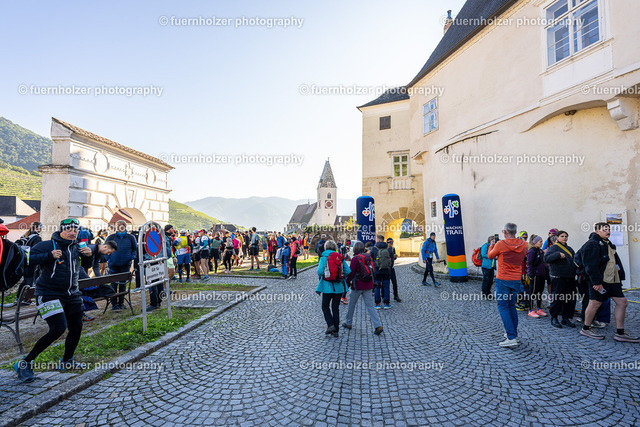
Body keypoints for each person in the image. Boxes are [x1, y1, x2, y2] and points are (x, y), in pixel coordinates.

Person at [14, 218, 93, 383]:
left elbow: (84, 266)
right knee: (58, 328)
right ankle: (25, 363)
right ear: (61, 230)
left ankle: (67, 360)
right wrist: (48, 256)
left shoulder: (76, 247)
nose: (72, 233)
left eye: (75, 230)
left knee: (76, 327)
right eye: (69, 229)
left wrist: (88, 256)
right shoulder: (47, 245)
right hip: (48, 293)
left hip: (72, 294)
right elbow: (25, 259)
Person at [579, 223, 638, 342]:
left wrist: (619, 276)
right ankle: (586, 328)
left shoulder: (608, 243)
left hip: (613, 280)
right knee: (595, 303)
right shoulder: (592, 244)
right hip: (600, 281)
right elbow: (590, 265)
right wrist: (596, 282)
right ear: (597, 231)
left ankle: (620, 333)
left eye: (609, 229)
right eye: (605, 229)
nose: (608, 231)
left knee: (622, 302)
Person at [488, 223, 528, 348]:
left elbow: (490, 256)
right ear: (515, 232)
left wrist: (492, 245)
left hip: (503, 279)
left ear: (505, 232)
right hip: (516, 279)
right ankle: (512, 333)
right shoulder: (524, 244)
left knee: (503, 307)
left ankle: (511, 337)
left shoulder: (501, 244)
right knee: (511, 306)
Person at [342, 241, 383, 335]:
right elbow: (373, 270)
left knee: (352, 304)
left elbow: (351, 273)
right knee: (370, 306)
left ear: (355, 249)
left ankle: (348, 323)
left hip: (357, 285)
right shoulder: (368, 257)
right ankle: (378, 325)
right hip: (368, 284)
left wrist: (347, 283)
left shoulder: (355, 259)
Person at [315, 240, 350, 337]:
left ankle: (330, 325)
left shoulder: (323, 258)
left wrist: (326, 275)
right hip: (339, 287)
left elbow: (319, 272)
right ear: (335, 248)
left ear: (325, 248)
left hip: (327, 287)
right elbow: (348, 270)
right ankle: (336, 330)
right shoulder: (340, 257)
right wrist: (340, 275)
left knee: (325, 306)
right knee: (335, 308)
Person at [544, 231, 577, 328]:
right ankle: (554, 317)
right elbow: (546, 259)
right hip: (558, 277)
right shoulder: (554, 248)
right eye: (562, 236)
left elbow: (575, 260)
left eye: (566, 236)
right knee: (557, 298)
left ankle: (565, 318)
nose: (564, 238)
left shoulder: (569, 249)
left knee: (569, 299)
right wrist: (557, 255)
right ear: (557, 238)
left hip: (569, 277)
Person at [105, 220, 137, 310]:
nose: (120, 227)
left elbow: (135, 249)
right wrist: (109, 259)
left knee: (123, 284)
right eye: (118, 225)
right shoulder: (111, 237)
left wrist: (131, 258)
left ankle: (121, 303)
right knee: (113, 284)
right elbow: (105, 248)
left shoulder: (130, 237)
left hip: (125, 264)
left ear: (125, 226)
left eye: (122, 225)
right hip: (113, 264)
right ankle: (114, 304)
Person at [15, 221, 42, 305]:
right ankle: (25, 300)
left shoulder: (25, 236)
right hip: (31, 261)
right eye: (40, 228)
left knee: (25, 280)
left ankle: (18, 298)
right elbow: (37, 250)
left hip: (23, 261)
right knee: (29, 281)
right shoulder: (36, 238)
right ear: (37, 228)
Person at [526, 235, 548, 318]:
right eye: (540, 242)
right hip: (535, 275)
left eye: (542, 241)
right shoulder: (532, 251)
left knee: (540, 292)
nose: (542, 243)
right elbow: (529, 264)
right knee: (533, 292)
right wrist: (531, 275)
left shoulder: (540, 251)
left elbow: (543, 262)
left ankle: (539, 308)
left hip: (542, 274)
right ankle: (531, 310)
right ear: (535, 242)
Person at [371, 235, 393, 309]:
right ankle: (386, 303)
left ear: (379, 240)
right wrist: (389, 268)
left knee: (377, 287)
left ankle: (377, 304)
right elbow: (392, 260)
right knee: (386, 287)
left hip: (377, 271)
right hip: (387, 271)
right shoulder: (389, 248)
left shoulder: (374, 248)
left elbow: (371, 260)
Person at [386, 238, 402, 303]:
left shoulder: (393, 249)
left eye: (392, 242)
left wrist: (395, 257)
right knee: (386, 283)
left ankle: (396, 295)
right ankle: (384, 296)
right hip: (386, 268)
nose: (391, 244)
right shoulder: (385, 249)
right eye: (390, 242)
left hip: (392, 268)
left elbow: (393, 258)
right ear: (387, 243)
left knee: (394, 282)